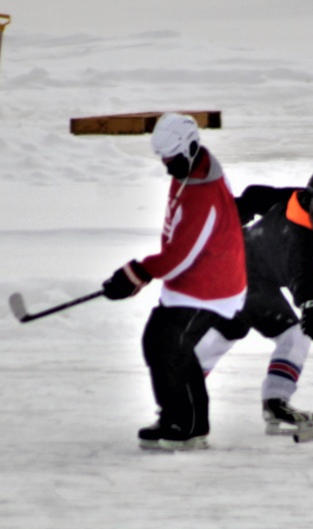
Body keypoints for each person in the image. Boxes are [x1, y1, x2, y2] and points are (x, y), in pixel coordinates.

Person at [101, 112, 247, 451]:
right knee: (163, 342)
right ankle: (182, 421)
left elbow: (181, 254)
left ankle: (184, 425)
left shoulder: (202, 192)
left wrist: (134, 274)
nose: (168, 166)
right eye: (163, 159)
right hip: (190, 282)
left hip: (211, 287)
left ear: (193, 147)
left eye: (173, 158)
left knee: (168, 344)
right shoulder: (192, 168)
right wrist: (139, 276)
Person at [194, 171, 313, 434]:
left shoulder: (296, 197)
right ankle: (275, 401)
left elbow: (257, 194)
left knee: (224, 334)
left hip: (237, 269)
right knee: (294, 336)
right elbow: (301, 274)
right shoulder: (299, 236)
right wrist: (312, 305)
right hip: (243, 278)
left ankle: (180, 394)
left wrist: (239, 209)